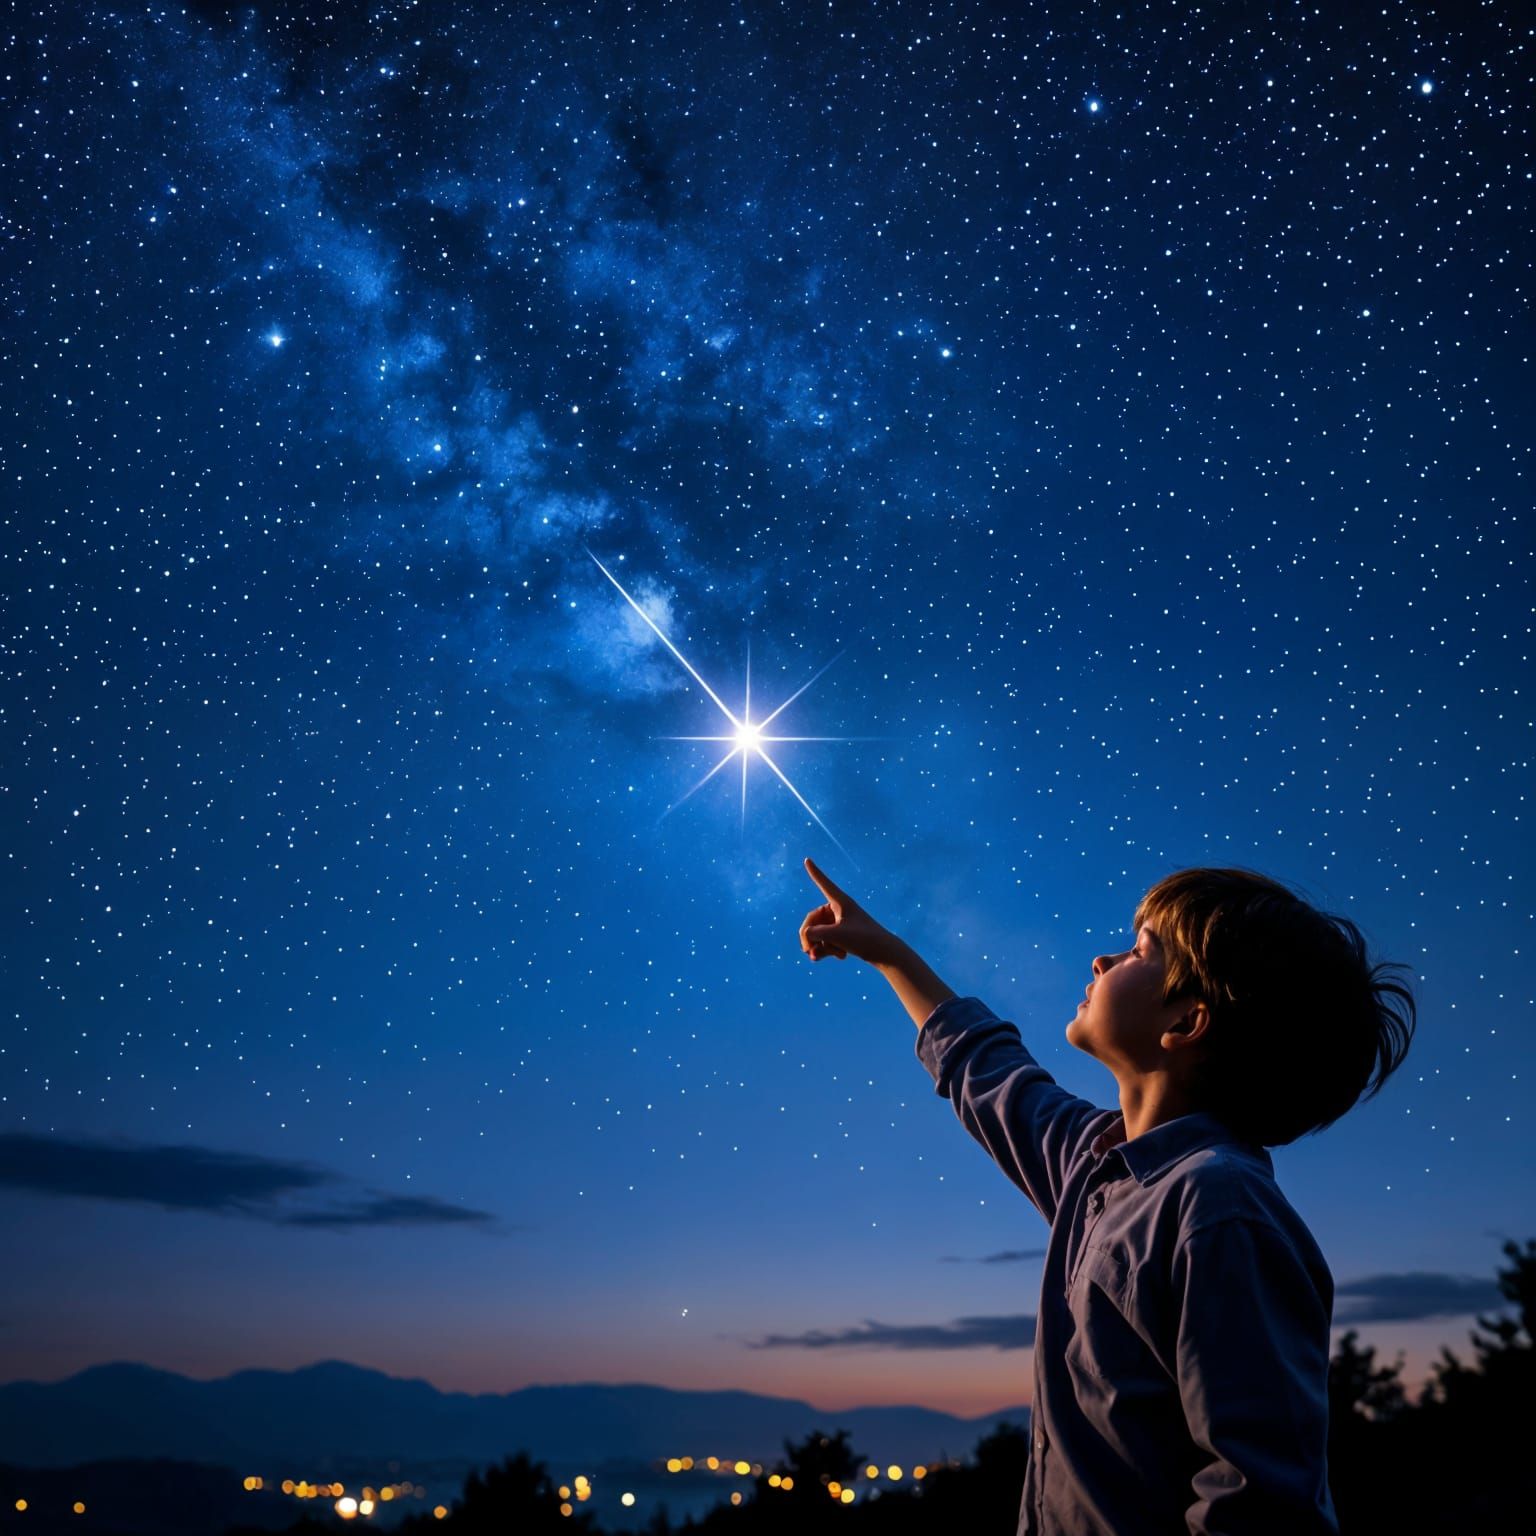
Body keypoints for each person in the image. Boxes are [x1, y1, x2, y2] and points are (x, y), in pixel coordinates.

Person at [798, 857, 1416, 1536]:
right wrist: (886, 952)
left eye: (1138, 950)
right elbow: (991, 1074)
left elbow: (1261, 1502)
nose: (1100, 958)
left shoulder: (1218, 1208)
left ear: (1186, 1020)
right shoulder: (1098, 1170)